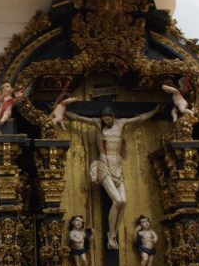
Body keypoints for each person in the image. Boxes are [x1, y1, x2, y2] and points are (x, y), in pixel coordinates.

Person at [65, 104, 161, 249]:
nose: (106, 122)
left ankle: (113, 234)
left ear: (113, 116)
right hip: (104, 167)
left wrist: (155, 110)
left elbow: (141, 118)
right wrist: (62, 111)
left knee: (124, 201)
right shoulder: (98, 124)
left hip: (118, 168)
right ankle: (111, 235)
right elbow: (78, 118)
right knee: (117, 200)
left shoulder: (121, 124)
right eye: (104, 120)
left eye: (108, 120)